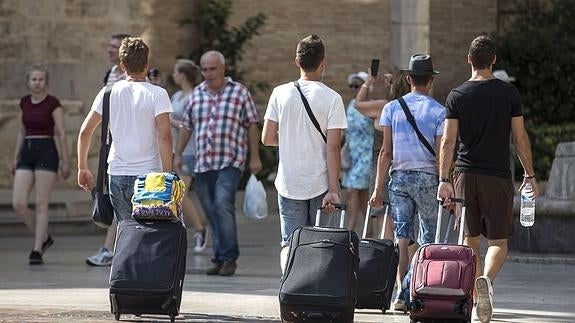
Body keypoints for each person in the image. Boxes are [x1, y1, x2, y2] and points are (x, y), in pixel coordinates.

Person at [437, 35, 539, 323]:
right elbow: (519, 137)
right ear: (493, 60)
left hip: (465, 176)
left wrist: (444, 178)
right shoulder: (508, 94)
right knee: (498, 242)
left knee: (471, 241)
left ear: (469, 59)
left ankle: (477, 297)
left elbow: (448, 141)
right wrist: (529, 174)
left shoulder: (456, 95)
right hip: (497, 178)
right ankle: (487, 281)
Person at [261, 34, 347, 273]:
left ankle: (289, 289)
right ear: (322, 63)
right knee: (322, 243)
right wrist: (333, 189)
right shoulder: (333, 98)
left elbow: (267, 138)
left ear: (296, 62)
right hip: (321, 184)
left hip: (289, 183)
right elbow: (333, 147)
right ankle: (316, 294)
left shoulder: (279, 93)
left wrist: (290, 140)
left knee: (290, 244)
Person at [175, 50, 262, 277]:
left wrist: (255, 157)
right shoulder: (196, 95)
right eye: (204, 69)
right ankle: (220, 256)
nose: (208, 73)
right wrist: (178, 154)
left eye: (212, 69)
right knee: (211, 211)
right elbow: (186, 127)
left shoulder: (239, 92)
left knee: (223, 204)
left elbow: (252, 124)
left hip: (230, 161)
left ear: (223, 68)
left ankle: (230, 258)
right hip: (203, 163)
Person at [370, 54, 445, 312]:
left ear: (409, 79)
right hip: (427, 178)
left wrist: (378, 188)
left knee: (402, 237)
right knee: (428, 237)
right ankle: (415, 290)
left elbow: (385, 152)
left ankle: (401, 295)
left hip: (399, 178)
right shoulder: (439, 111)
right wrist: (446, 182)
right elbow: (440, 154)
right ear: (431, 81)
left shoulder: (391, 108)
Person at [77, 37, 173, 226]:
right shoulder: (158, 94)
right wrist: (168, 174)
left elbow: (85, 131)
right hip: (150, 175)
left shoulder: (108, 93)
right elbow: (164, 136)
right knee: (149, 232)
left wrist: (82, 167)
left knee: (126, 231)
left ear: (122, 65)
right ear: (146, 64)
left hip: (118, 174)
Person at [12, 64, 71, 265]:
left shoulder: (53, 103)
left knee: (40, 203)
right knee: (18, 203)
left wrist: (65, 161)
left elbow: (61, 133)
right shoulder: (24, 103)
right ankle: (44, 236)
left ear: (46, 82)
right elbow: (21, 131)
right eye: (34, 79)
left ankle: (37, 249)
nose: (37, 83)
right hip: (27, 150)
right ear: (28, 82)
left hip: (47, 149)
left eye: (41, 79)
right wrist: (15, 157)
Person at [86, 33, 130, 267]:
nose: (109, 50)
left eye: (115, 47)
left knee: (117, 196)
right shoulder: (110, 75)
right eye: (109, 46)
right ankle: (111, 248)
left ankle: (110, 248)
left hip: (124, 144)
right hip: (110, 142)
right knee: (112, 195)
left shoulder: (129, 77)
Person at [355, 70, 408, 239]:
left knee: (384, 219)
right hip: (404, 167)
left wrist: (368, 82)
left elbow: (358, 103)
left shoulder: (383, 107)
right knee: (405, 222)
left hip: (381, 169)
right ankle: (405, 264)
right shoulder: (410, 109)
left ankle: (386, 260)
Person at [170, 59, 208, 253]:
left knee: (179, 194)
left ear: (183, 74)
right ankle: (195, 226)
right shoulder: (176, 96)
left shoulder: (193, 97)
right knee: (176, 195)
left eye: (176, 72)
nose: (173, 75)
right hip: (175, 151)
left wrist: (172, 121)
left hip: (190, 151)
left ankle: (200, 230)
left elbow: (192, 126)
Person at [341, 71, 373, 231]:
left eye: (357, 85)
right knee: (362, 196)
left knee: (351, 191)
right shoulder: (351, 105)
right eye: (351, 86)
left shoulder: (371, 105)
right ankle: (369, 230)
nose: (354, 89)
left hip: (366, 156)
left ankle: (350, 229)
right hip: (352, 155)